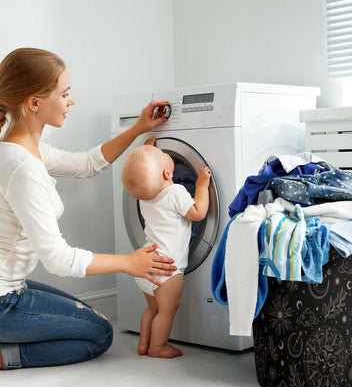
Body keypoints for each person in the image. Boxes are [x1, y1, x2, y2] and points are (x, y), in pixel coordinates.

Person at [0, 47, 177, 369]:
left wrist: (139, 128)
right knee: (98, 333)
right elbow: (58, 259)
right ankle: (5, 355)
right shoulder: (21, 166)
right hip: (3, 299)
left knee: (90, 315)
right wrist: (129, 263)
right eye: (65, 94)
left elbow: (88, 164)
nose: (72, 101)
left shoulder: (22, 148)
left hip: (10, 285)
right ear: (34, 103)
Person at [121, 141, 211, 358]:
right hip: (167, 269)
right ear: (167, 173)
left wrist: (147, 152)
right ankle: (157, 347)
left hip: (147, 264)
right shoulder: (176, 191)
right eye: (162, 154)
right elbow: (198, 213)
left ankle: (143, 344)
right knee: (167, 311)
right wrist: (200, 186)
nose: (164, 152)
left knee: (152, 309)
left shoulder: (144, 196)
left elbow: (145, 177)